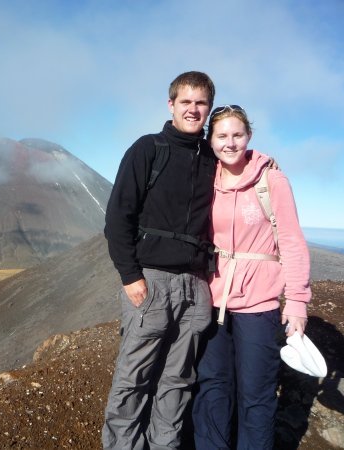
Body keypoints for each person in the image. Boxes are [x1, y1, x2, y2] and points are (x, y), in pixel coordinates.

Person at [102, 71, 216, 450]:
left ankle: (165, 445)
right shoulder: (148, 149)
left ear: (209, 108)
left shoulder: (211, 158)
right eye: (186, 102)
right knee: (133, 379)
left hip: (194, 287)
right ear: (171, 105)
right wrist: (130, 276)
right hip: (150, 284)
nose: (193, 109)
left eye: (200, 103)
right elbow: (119, 216)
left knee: (178, 381)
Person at [192, 105, 311, 449]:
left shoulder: (271, 179)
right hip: (212, 298)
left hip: (258, 300)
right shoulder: (204, 177)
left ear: (249, 137)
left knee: (256, 392)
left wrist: (298, 301)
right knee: (213, 386)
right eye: (222, 136)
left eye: (237, 135)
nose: (230, 143)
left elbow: (290, 239)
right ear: (210, 140)